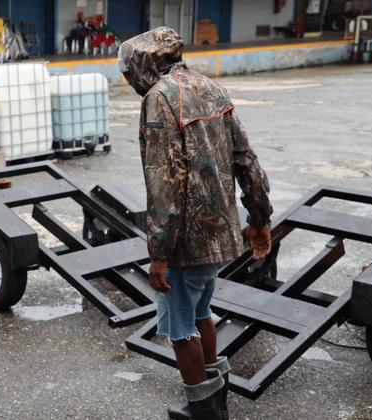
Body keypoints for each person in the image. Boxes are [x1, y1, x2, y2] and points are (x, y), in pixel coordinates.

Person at [118, 27, 274, 419]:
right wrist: (259, 218)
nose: (128, 81)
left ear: (140, 65)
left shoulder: (159, 99)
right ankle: (215, 399)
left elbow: (163, 180)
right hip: (219, 235)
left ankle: (203, 410)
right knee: (201, 312)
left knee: (177, 326)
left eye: (126, 73)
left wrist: (159, 252)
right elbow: (246, 160)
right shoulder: (211, 87)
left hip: (185, 243)